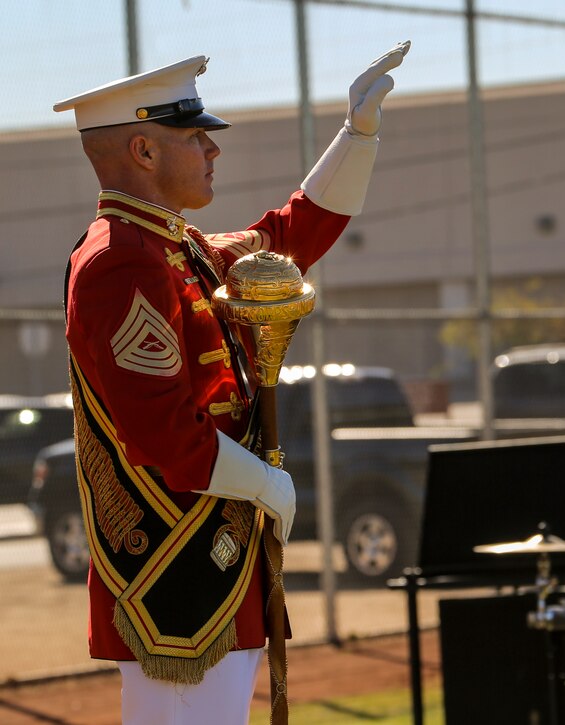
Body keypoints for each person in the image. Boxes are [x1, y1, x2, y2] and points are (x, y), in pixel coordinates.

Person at [55, 42, 408, 724]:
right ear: (143, 151)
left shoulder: (174, 247)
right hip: (175, 573)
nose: (213, 150)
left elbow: (287, 239)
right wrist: (265, 483)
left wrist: (355, 136)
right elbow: (164, 437)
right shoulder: (119, 261)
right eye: (194, 136)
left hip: (213, 562)